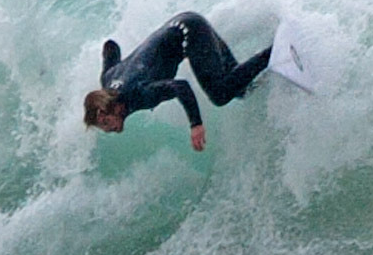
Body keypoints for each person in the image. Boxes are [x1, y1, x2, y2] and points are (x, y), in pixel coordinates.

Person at [83, 12, 271, 151]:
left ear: (103, 113)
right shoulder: (108, 79)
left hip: (190, 33)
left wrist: (195, 124)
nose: (113, 130)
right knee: (241, 89)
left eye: (107, 125)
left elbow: (180, 87)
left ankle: (274, 51)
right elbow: (111, 46)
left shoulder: (138, 93)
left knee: (220, 94)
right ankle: (274, 74)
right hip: (184, 23)